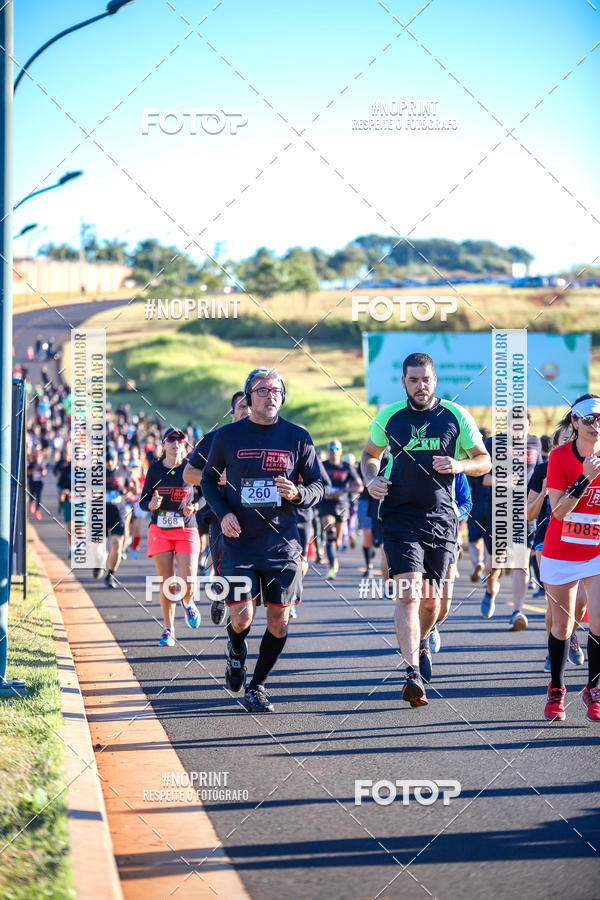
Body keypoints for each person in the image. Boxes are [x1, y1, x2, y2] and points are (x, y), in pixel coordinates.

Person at [361, 352, 491, 707]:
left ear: (435, 380)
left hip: (442, 519)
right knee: (408, 593)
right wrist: (371, 479)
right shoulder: (390, 416)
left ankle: (421, 640)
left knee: (434, 601)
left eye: (427, 379)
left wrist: (459, 463)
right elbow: (370, 454)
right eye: (414, 380)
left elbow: (484, 460)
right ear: (404, 382)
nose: (421, 386)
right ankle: (411, 673)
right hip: (400, 517)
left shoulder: (454, 415)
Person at [201, 367, 324, 713]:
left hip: (282, 544)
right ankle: (236, 649)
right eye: (262, 390)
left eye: (276, 391)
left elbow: (319, 486)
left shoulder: (298, 437)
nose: (270, 396)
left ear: (282, 396)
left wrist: (299, 493)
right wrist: (223, 512)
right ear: (248, 397)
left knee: (279, 621)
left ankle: (257, 686)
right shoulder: (227, 437)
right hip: (239, 541)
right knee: (241, 617)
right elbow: (209, 481)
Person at [539, 395, 600, 721]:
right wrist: (585, 478)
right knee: (562, 626)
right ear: (574, 422)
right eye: (589, 419)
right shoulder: (560, 457)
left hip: (597, 552)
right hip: (561, 551)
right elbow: (559, 512)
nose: (595, 425)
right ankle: (557, 688)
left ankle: (594, 688)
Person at [183, 391, 250, 625]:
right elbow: (188, 473)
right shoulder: (214, 439)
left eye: (250, 405)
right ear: (231, 412)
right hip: (219, 512)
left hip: (255, 514)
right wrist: (217, 478)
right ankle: (221, 596)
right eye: (241, 406)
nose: (246, 410)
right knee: (221, 560)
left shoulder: (264, 441)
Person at [527, 426, 586, 673]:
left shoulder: (591, 465)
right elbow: (529, 512)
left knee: (581, 604)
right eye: (565, 439)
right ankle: (554, 650)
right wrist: (543, 493)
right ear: (554, 446)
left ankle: (568, 635)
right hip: (548, 540)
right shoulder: (543, 469)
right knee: (556, 604)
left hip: (585, 540)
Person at [139, 427, 202, 647]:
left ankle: (189, 601)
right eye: (171, 440)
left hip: (186, 529)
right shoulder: (155, 470)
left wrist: (194, 506)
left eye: (180, 440)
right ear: (164, 444)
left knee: (188, 582)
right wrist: (152, 504)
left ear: (184, 445)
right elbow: (143, 501)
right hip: (160, 529)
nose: (176, 443)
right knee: (168, 583)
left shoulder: (191, 468)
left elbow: (205, 494)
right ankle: (168, 629)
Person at [479, 411, 542, 630]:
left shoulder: (535, 443)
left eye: (522, 426)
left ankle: (517, 610)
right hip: (498, 509)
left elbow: (540, 474)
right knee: (495, 561)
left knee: (521, 563)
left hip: (524, 512)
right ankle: (490, 590)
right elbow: (481, 478)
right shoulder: (492, 443)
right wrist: (503, 480)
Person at [428, 471, 473, 655]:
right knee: (423, 598)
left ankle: (432, 626)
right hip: (416, 536)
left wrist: (451, 513)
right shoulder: (412, 460)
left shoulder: (455, 468)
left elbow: (466, 502)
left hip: (447, 537)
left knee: (444, 606)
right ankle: (422, 639)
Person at [318, 440, 362, 579]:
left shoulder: (346, 467)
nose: (334, 450)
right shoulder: (322, 466)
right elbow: (313, 481)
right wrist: (324, 492)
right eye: (331, 447)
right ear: (328, 450)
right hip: (326, 504)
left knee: (337, 540)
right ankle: (331, 567)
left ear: (341, 451)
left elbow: (359, 486)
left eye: (337, 448)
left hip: (342, 506)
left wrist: (343, 490)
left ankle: (333, 558)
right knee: (330, 532)